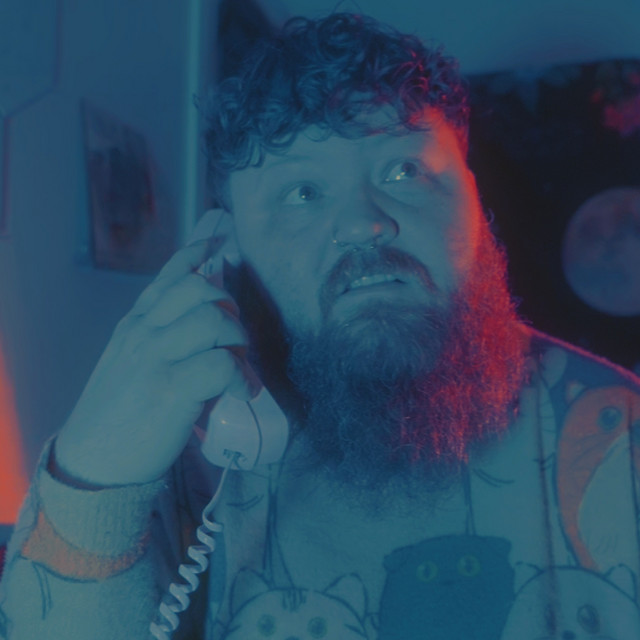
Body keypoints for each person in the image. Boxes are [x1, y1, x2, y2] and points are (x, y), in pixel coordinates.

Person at [2, 12, 640, 640]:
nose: (364, 223)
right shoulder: (188, 452)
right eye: (302, 192)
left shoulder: (618, 432)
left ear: (473, 200)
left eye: (404, 171)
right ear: (225, 243)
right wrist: (95, 473)